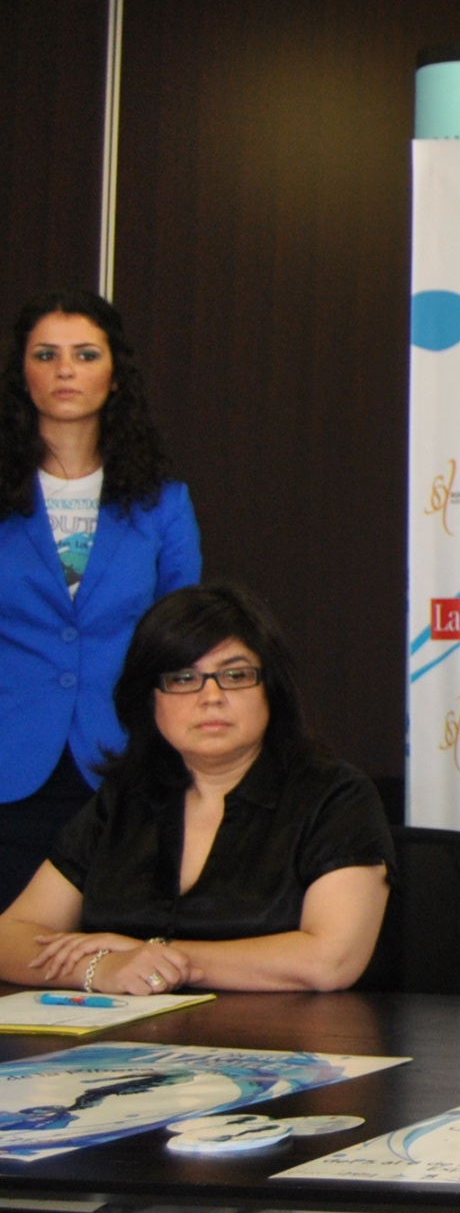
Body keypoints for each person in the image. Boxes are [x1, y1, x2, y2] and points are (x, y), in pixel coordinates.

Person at [0, 582, 392, 1213]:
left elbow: (330, 957)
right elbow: (12, 934)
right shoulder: (125, 801)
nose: (209, 697)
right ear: (150, 698)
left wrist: (167, 960)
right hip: (103, 1085)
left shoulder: (331, 794)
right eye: (182, 678)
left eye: (233, 675)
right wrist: (100, 966)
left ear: (270, 688)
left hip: (270, 1088)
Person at [0, 291, 198, 906]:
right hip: (9, 766)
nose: (65, 370)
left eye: (85, 354)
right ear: (22, 376)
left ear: (115, 377)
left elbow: (182, 641)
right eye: (46, 355)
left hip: (125, 763)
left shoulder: (164, 503)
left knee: (112, 945)